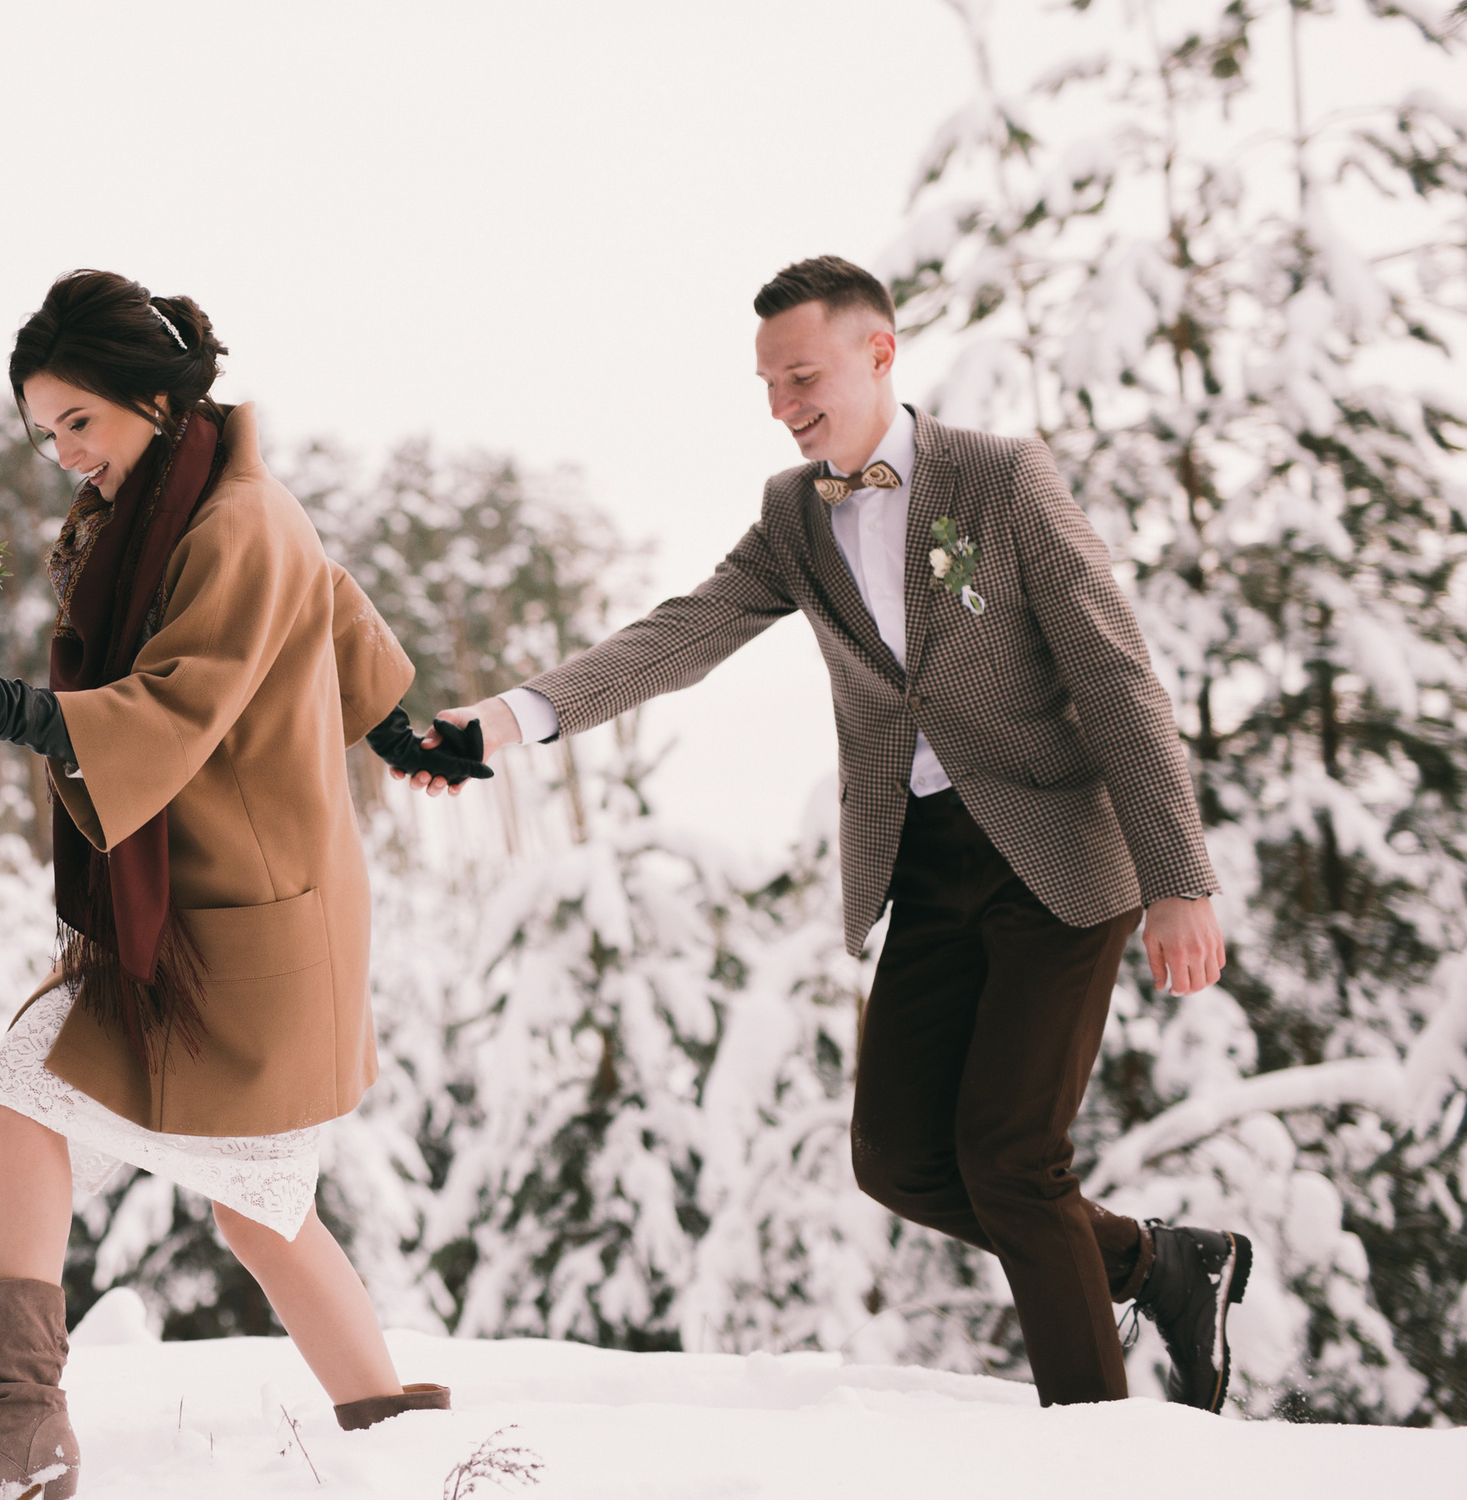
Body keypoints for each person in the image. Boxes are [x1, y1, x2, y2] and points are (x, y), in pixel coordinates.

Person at [402, 256, 1252, 1412]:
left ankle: (1095, 1453)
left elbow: (1116, 680)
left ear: (878, 352)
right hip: (928, 861)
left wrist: (1178, 878)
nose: (781, 402)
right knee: (899, 1157)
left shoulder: (1002, 481)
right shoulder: (793, 515)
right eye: (765, 382)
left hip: (1058, 853)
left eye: (800, 374)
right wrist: (502, 720)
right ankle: (1156, 1264)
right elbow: (684, 631)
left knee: (1008, 1159)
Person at [0, 270, 472, 1500]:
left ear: (156, 400)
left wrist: (2, 705)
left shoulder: (231, 520)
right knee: (201, 1175)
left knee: (210, 1179)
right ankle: (40, 1421)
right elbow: (331, 603)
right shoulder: (195, 498)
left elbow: (179, 696)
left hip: (244, 918)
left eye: (81, 421)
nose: (65, 451)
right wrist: (394, 728)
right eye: (46, 430)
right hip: (203, 901)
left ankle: (35, 1423)